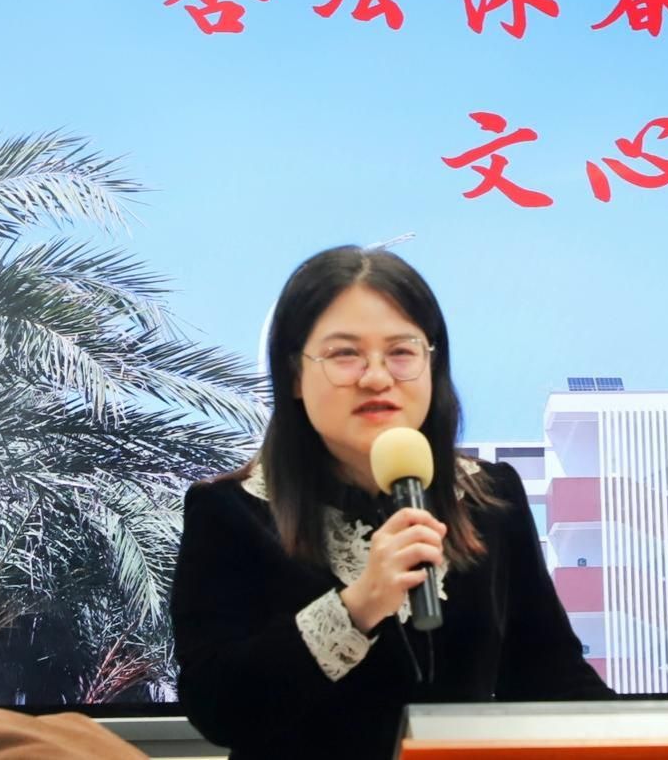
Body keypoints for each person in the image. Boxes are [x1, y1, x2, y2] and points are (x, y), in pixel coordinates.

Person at [170, 246, 613, 759]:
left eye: (402, 352)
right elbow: (218, 706)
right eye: (345, 354)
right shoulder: (230, 511)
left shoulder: (490, 497)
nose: (377, 377)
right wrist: (358, 606)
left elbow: (550, 677)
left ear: (432, 365)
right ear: (294, 375)